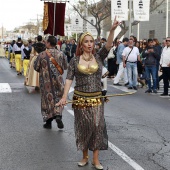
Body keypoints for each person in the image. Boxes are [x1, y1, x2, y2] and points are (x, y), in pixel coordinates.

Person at [56, 17, 119, 170]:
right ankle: (85, 156)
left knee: (97, 126)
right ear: (81, 44)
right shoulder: (74, 61)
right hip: (80, 99)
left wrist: (111, 30)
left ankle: (96, 159)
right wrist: (64, 97)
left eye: (92, 41)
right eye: (87, 41)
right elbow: (69, 80)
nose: (90, 44)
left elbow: (109, 45)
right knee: (84, 127)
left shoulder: (99, 57)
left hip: (96, 98)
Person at [34, 36, 67, 129]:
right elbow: (65, 66)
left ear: (48, 43)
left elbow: (36, 67)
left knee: (47, 101)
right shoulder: (61, 54)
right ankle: (58, 115)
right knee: (59, 98)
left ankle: (48, 122)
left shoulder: (42, 55)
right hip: (59, 81)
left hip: (46, 82)